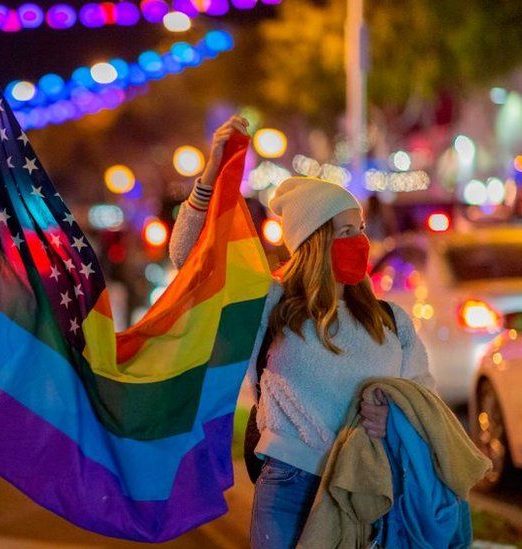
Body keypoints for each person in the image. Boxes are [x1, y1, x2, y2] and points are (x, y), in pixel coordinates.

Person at [169, 116, 434, 549]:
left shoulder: (389, 320)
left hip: (367, 489)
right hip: (289, 486)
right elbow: (188, 260)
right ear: (313, 242)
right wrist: (211, 174)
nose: (360, 241)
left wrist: (395, 421)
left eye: (361, 229)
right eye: (345, 232)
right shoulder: (271, 304)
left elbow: (425, 398)